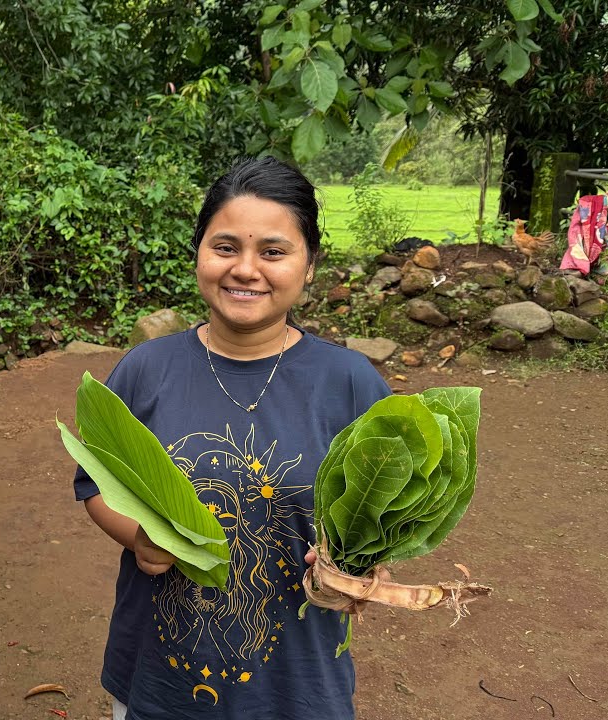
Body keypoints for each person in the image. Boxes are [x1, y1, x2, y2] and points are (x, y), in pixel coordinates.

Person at [74, 156, 391, 720]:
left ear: (310, 264)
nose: (246, 269)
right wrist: (141, 536)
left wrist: (364, 570)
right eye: (225, 247)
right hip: (158, 679)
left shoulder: (351, 385)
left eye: (273, 251)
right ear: (199, 252)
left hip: (299, 683)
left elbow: (384, 517)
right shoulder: (147, 370)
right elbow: (95, 483)